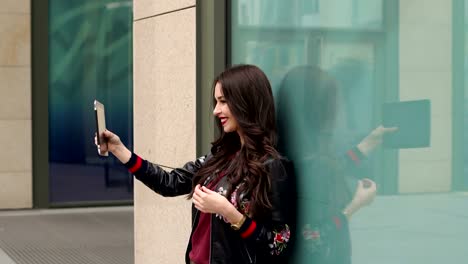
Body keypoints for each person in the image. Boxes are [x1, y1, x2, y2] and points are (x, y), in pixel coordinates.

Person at [95, 64, 295, 264]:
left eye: (223, 102)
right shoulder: (220, 156)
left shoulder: (273, 167)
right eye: (216, 102)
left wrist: (229, 212)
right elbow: (169, 183)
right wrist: (119, 150)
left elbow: (278, 244)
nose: (216, 111)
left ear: (246, 102)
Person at [276, 65, 396, 264]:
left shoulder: (289, 153)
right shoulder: (308, 163)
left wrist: (369, 143)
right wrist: (353, 206)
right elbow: (311, 239)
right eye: (334, 106)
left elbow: (328, 169)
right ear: (320, 113)